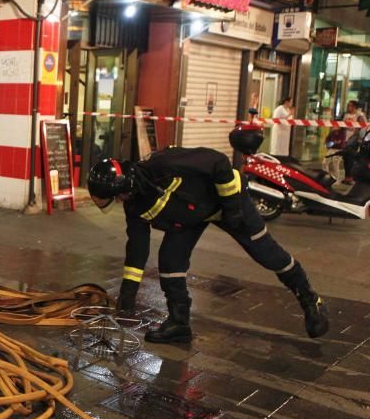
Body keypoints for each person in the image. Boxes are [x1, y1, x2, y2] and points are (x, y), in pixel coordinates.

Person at [87, 129, 328, 344]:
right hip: (190, 216)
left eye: (118, 197)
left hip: (227, 202)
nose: (119, 202)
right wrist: (128, 295)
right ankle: (179, 323)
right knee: (170, 261)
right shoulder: (133, 204)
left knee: (267, 253)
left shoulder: (162, 164)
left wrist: (232, 209)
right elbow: (137, 248)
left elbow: (220, 163)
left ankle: (309, 299)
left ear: (124, 187)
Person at [342, 100, 368, 185]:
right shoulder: (346, 115)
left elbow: (363, 128)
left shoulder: (359, 115)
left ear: (354, 107)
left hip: (354, 140)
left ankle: (351, 177)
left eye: (350, 105)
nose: (348, 107)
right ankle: (347, 177)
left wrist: (359, 139)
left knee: (351, 158)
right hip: (345, 139)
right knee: (346, 158)